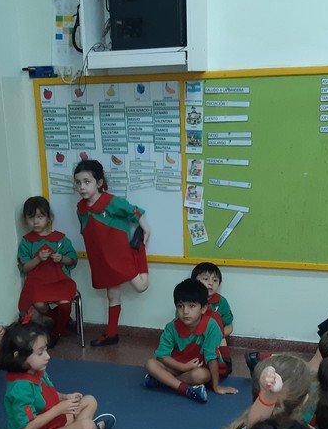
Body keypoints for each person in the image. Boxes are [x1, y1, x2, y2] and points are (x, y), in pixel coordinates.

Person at [0, 316, 113, 429]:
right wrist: (59, 409)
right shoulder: (20, 388)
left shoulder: (37, 370)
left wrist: (64, 397)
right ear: (18, 357)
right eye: (40, 353)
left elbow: (46, 394)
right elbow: (26, 428)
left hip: (51, 423)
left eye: (46, 350)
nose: (47, 356)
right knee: (88, 427)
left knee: (90, 401)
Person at [74, 159, 150, 346]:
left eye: (87, 182)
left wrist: (146, 229)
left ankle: (138, 252)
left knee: (141, 286)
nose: (82, 187)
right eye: (78, 182)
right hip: (101, 259)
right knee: (112, 295)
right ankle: (112, 333)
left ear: (99, 183)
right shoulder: (81, 208)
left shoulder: (111, 202)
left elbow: (133, 211)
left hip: (120, 256)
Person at [143, 277, 237, 403]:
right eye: (180, 306)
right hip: (177, 366)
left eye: (191, 306)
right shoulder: (171, 327)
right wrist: (183, 367)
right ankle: (186, 389)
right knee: (150, 364)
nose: (185, 312)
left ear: (203, 308)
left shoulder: (211, 326)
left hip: (197, 369)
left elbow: (211, 357)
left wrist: (216, 386)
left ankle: (164, 381)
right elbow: (162, 356)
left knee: (201, 375)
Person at [17, 196, 78, 344]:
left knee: (65, 303)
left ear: (49, 218)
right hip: (38, 283)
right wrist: (38, 259)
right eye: (31, 217)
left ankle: (57, 332)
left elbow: (73, 259)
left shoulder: (60, 239)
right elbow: (25, 266)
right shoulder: (26, 242)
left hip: (60, 281)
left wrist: (61, 258)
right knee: (38, 303)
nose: (35, 221)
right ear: (25, 219)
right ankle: (62, 321)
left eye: (40, 217)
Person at [192, 262, 233, 376]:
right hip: (195, 339)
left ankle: (223, 361)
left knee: (215, 319)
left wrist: (215, 334)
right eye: (205, 279)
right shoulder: (190, 299)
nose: (210, 283)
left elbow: (229, 326)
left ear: (219, 284)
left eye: (215, 280)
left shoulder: (222, 302)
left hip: (217, 342)